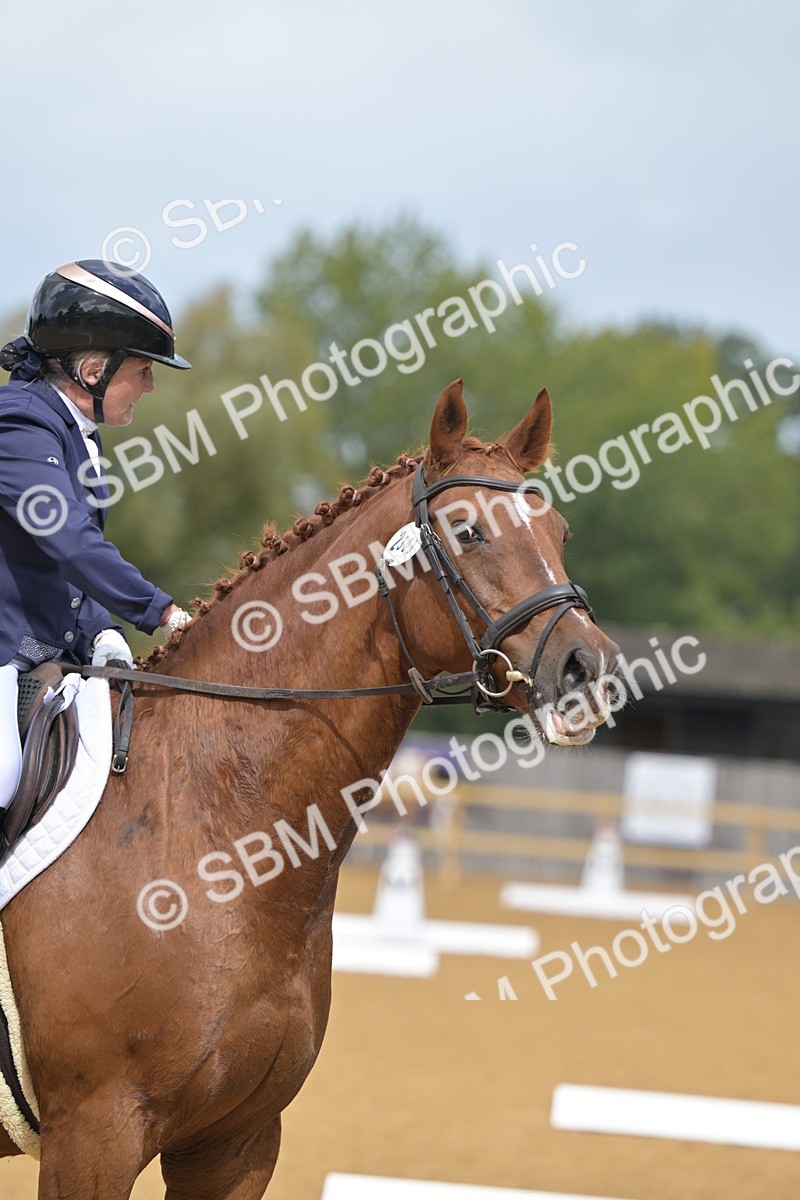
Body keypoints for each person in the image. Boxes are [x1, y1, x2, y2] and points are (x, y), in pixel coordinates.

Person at [0, 259, 193, 815]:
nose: (151, 385)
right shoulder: (18, 424)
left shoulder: (75, 432)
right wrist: (160, 612)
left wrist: (100, 630)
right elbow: (69, 541)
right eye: (143, 369)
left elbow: (62, 570)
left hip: (44, 656)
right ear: (92, 370)